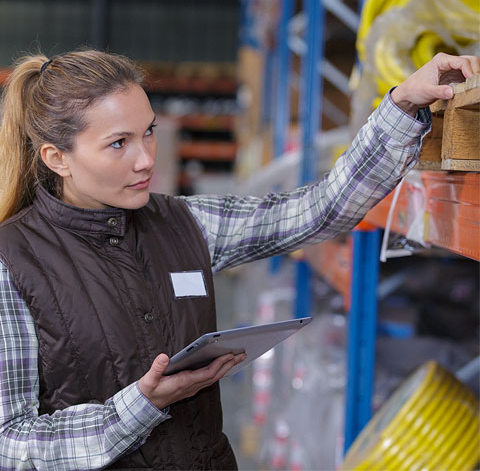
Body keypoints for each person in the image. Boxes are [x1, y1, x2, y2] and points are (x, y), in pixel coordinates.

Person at [0, 49, 478, 471]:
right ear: (56, 158)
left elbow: (318, 211)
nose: (146, 158)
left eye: (149, 133)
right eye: (118, 143)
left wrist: (401, 105)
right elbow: (10, 441)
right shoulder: (13, 263)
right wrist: (136, 408)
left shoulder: (185, 223)